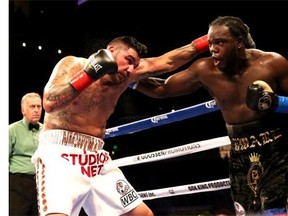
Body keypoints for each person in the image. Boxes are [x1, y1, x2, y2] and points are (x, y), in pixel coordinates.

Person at [31, 35, 209, 216]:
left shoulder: (128, 74)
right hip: (60, 154)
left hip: (96, 158)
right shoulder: (74, 65)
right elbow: (50, 102)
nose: (130, 69)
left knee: (143, 214)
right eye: (129, 60)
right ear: (111, 50)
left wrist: (209, 40)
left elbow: (167, 62)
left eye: (135, 65)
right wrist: (90, 74)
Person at [132, 16, 288, 215]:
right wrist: (124, 79)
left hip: (277, 148)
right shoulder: (205, 70)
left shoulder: (272, 63)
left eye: (220, 42)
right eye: (211, 43)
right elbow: (162, 88)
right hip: (239, 152)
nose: (213, 48)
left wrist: (276, 103)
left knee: (275, 212)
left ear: (239, 43)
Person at [9, 92, 43, 216]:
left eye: (39, 107)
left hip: (41, 183)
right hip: (17, 183)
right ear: (23, 110)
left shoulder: (47, 131)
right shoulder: (11, 130)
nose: (36, 110)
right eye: (32, 107)